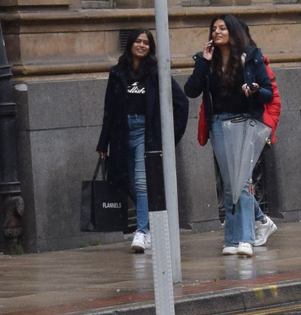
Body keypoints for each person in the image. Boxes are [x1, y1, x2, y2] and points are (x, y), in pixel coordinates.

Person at [185, 13, 276, 258]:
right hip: (219, 125)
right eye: (214, 28)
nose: (217, 32)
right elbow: (190, 90)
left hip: (245, 123)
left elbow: (268, 93)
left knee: (243, 183)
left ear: (232, 31)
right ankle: (232, 240)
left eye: (222, 28)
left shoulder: (252, 56)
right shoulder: (208, 60)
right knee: (229, 184)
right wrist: (202, 62)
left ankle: (246, 238)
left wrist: (254, 90)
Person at [96, 29, 186, 254]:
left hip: (146, 133)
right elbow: (109, 109)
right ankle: (154, 226)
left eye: (146, 43)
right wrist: (102, 143)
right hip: (121, 132)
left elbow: (181, 102)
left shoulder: (156, 72)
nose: (142, 45)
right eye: (138, 41)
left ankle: (142, 230)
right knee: (125, 181)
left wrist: (170, 137)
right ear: (130, 45)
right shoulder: (117, 72)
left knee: (140, 181)